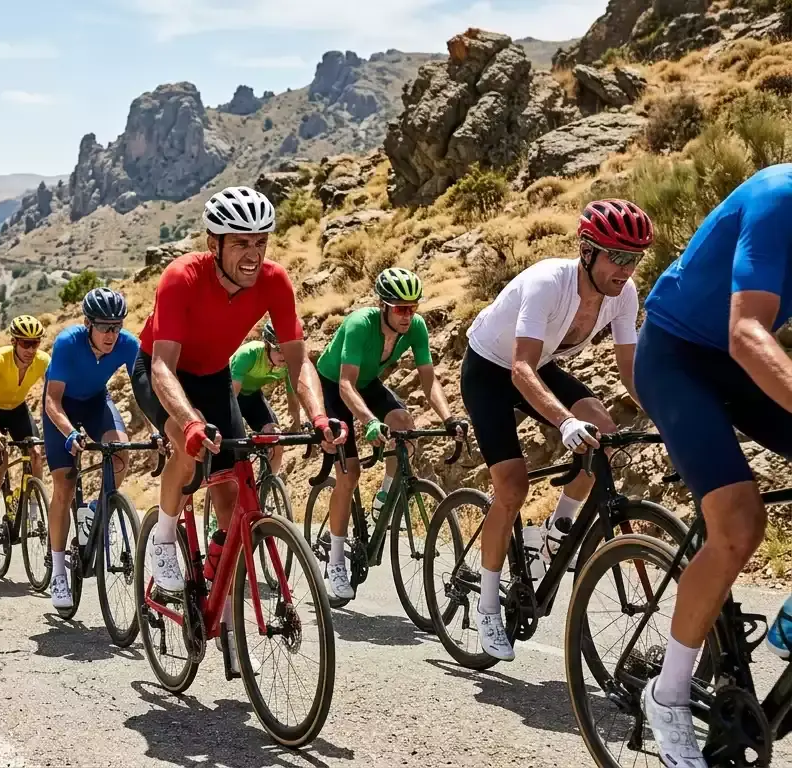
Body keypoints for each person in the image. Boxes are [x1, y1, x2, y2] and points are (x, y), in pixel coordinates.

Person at [631, 164, 792, 767]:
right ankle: (667, 695)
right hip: (677, 357)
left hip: (734, 358)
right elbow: (748, 329)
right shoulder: (780, 199)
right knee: (741, 524)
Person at [131, 185, 344, 636]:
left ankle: (219, 590)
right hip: (161, 371)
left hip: (212, 378)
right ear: (214, 244)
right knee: (186, 450)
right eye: (242, 242)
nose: (254, 254)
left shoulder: (274, 280)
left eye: (261, 241)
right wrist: (187, 423)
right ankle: (165, 540)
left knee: (231, 493)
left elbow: (299, 359)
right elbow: (163, 367)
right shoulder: (180, 277)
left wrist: (319, 418)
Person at [460, 199, 651, 663]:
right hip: (490, 370)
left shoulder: (624, 294)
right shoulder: (549, 281)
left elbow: (630, 370)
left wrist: (668, 414)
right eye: (617, 256)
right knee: (512, 487)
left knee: (602, 435)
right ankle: (487, 604)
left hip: (538, 367)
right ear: (587, 250)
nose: (626, 268)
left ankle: (556, 527)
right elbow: (519, 367)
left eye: (635, 258)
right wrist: (564, 422)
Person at [314, 267, 467, 604]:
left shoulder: (415, 327)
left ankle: (384, 495)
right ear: (382, 305)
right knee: (349, 474)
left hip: (366, 384)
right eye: (400, 308)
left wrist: (449, 417)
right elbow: (344, 385)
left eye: (413, 307)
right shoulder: (359, 324)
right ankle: (336, 560)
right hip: (331, 385)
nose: (407, 315)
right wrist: (368, 422)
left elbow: (429, 380)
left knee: (403, 423)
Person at [41, 287, 138, 611]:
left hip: (97, 402)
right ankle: (58, 570)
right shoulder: (68, 343)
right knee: (65, 485)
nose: (112, 334)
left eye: (117, 326)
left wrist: (156, 429)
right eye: (104, 326)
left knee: (120, 451)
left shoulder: (127, 344)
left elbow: (147, 389)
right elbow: (52, 401)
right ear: (88, 324)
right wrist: (69, 433)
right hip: (62, 407)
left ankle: (97, 510)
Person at [0, 315, 50, 550]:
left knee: (36, 453)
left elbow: (53, 397)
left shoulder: (43, 361)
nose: (31, 349)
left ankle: (32, 507)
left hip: (18, 409)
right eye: (25, 343)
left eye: (35, 343)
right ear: (14, 342)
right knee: (0, 465)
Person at [229, 321, 299, 473]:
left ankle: (265, 489)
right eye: (279, 349)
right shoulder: (248, 354)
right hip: (229, 397)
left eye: (288, 350)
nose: (285, 356)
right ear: (267, 345)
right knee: (235, 450)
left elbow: (292, 397)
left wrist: (298, 424)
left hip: (252, 397)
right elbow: (231, 397)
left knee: (276, 441)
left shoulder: (288, 364)